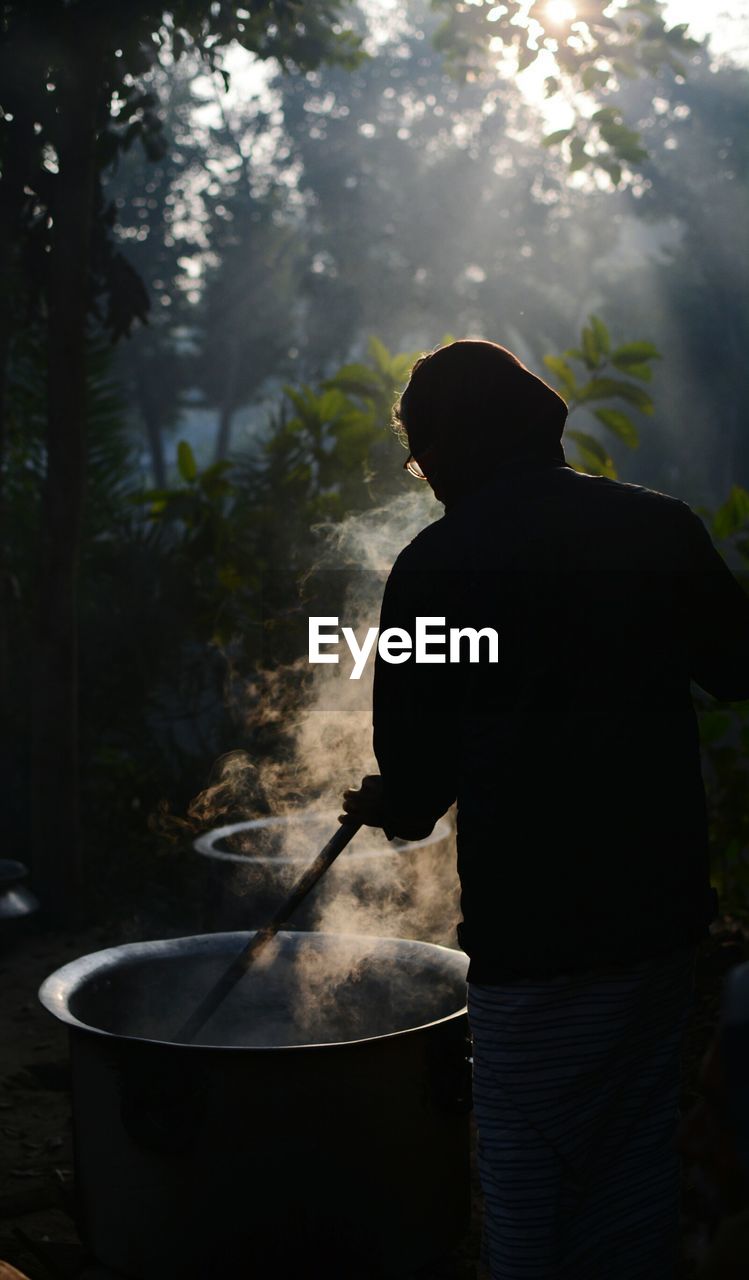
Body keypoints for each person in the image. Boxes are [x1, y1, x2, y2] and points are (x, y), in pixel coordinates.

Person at [339, 338, 749, 1279]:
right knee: (634, 1162)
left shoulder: (438, 570)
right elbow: (736, 667)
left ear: (443, 446)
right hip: (661, 918)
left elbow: (415, 786)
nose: (423, 475)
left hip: (536, 941)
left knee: (531, 1190)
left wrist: (390, 799)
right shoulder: (656, 530)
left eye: (418, 453)